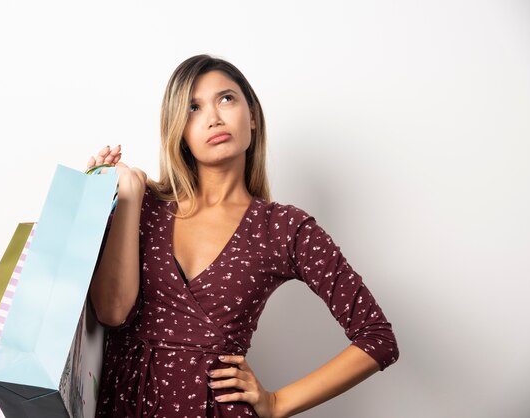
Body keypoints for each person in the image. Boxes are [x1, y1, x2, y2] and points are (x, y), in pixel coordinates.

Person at [87, 54, 399, 418]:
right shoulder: (141, 204)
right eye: (193, 107)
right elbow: (110, 311)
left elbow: (378, 339)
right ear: (180, 131)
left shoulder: (283, 228)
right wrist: (115, 199)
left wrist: (278, 402)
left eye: (226, 99)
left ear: (251, 115)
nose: (214, 117)